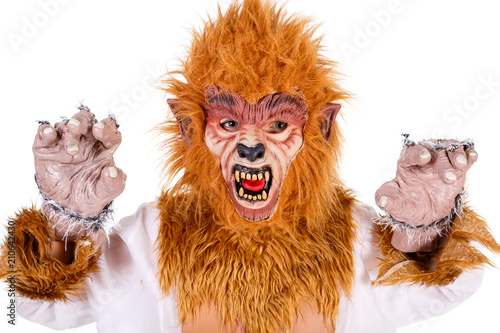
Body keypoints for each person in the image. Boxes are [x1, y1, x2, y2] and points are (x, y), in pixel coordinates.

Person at [1, 1, 499, 332]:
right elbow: (27, 304)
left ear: (320, 129)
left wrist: (426, 230)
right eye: (229, 122)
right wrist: (62, 223)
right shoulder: (155, 236)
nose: (252, 148)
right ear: (189, 129)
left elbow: (447, 289)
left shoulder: (349, 236)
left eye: (278, 125)